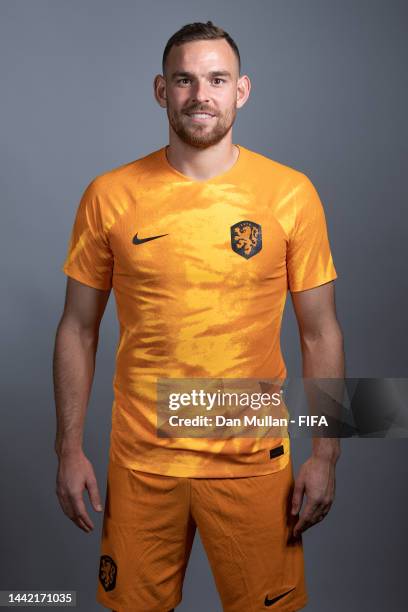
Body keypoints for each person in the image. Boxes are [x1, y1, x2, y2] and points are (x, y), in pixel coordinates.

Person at [53, 20, 344, 612]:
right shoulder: (110, 194)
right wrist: (69, 448)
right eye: (184, 80)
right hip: (141, 463)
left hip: (255, 463)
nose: (200, 95)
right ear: (162, 91)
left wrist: (326, 454)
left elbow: (320, 332)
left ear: (242, 91)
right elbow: (77, 329)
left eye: (217, 79)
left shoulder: (291, 193)